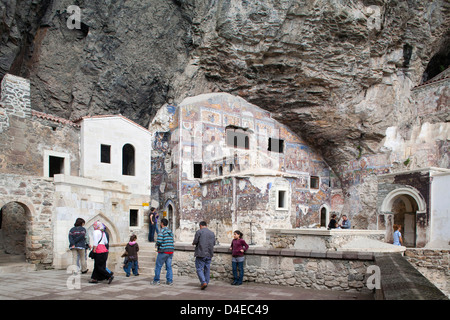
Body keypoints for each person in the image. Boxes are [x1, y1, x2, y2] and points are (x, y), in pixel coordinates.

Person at [192, 221, 216, 290]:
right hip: (209, 253)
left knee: (199, 268)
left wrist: (193, 243)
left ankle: (203, 282)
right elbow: (214, 243)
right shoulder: (212, 233)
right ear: (206, 225)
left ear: (200, 226)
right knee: (207, 268)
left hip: (201, 253)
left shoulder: (199, 232)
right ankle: (206, 282)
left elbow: (195, 241)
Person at [152, 218, 174, 286]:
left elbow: (159, 241)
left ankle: (156, 280)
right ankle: (169, 281)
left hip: (163, 251)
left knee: (158, 266)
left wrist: (156, 245)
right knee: (169, 266)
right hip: (170, 251)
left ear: (162, 223)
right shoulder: (170, 231)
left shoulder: (161, 231)